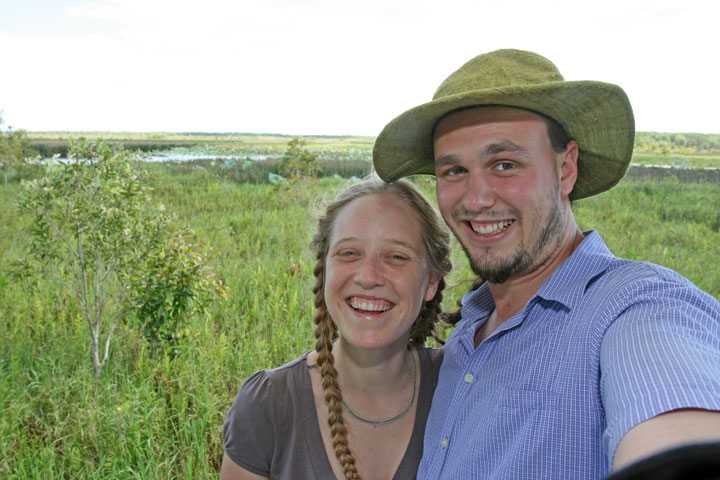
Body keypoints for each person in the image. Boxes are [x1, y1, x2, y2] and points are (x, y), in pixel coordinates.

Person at [372, 49, 720, 478]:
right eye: (455, 171)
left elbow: (677, 435)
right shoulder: (466, 333)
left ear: (565, 169)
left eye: (505, 164)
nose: (476, 199)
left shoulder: (635, 306)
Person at [220, 177, 452, 479]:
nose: (368, 277)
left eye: (396, 257)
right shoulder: (269, 405)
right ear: (324, 268)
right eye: (349, 253)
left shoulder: (462, 389)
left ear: (431, 282)